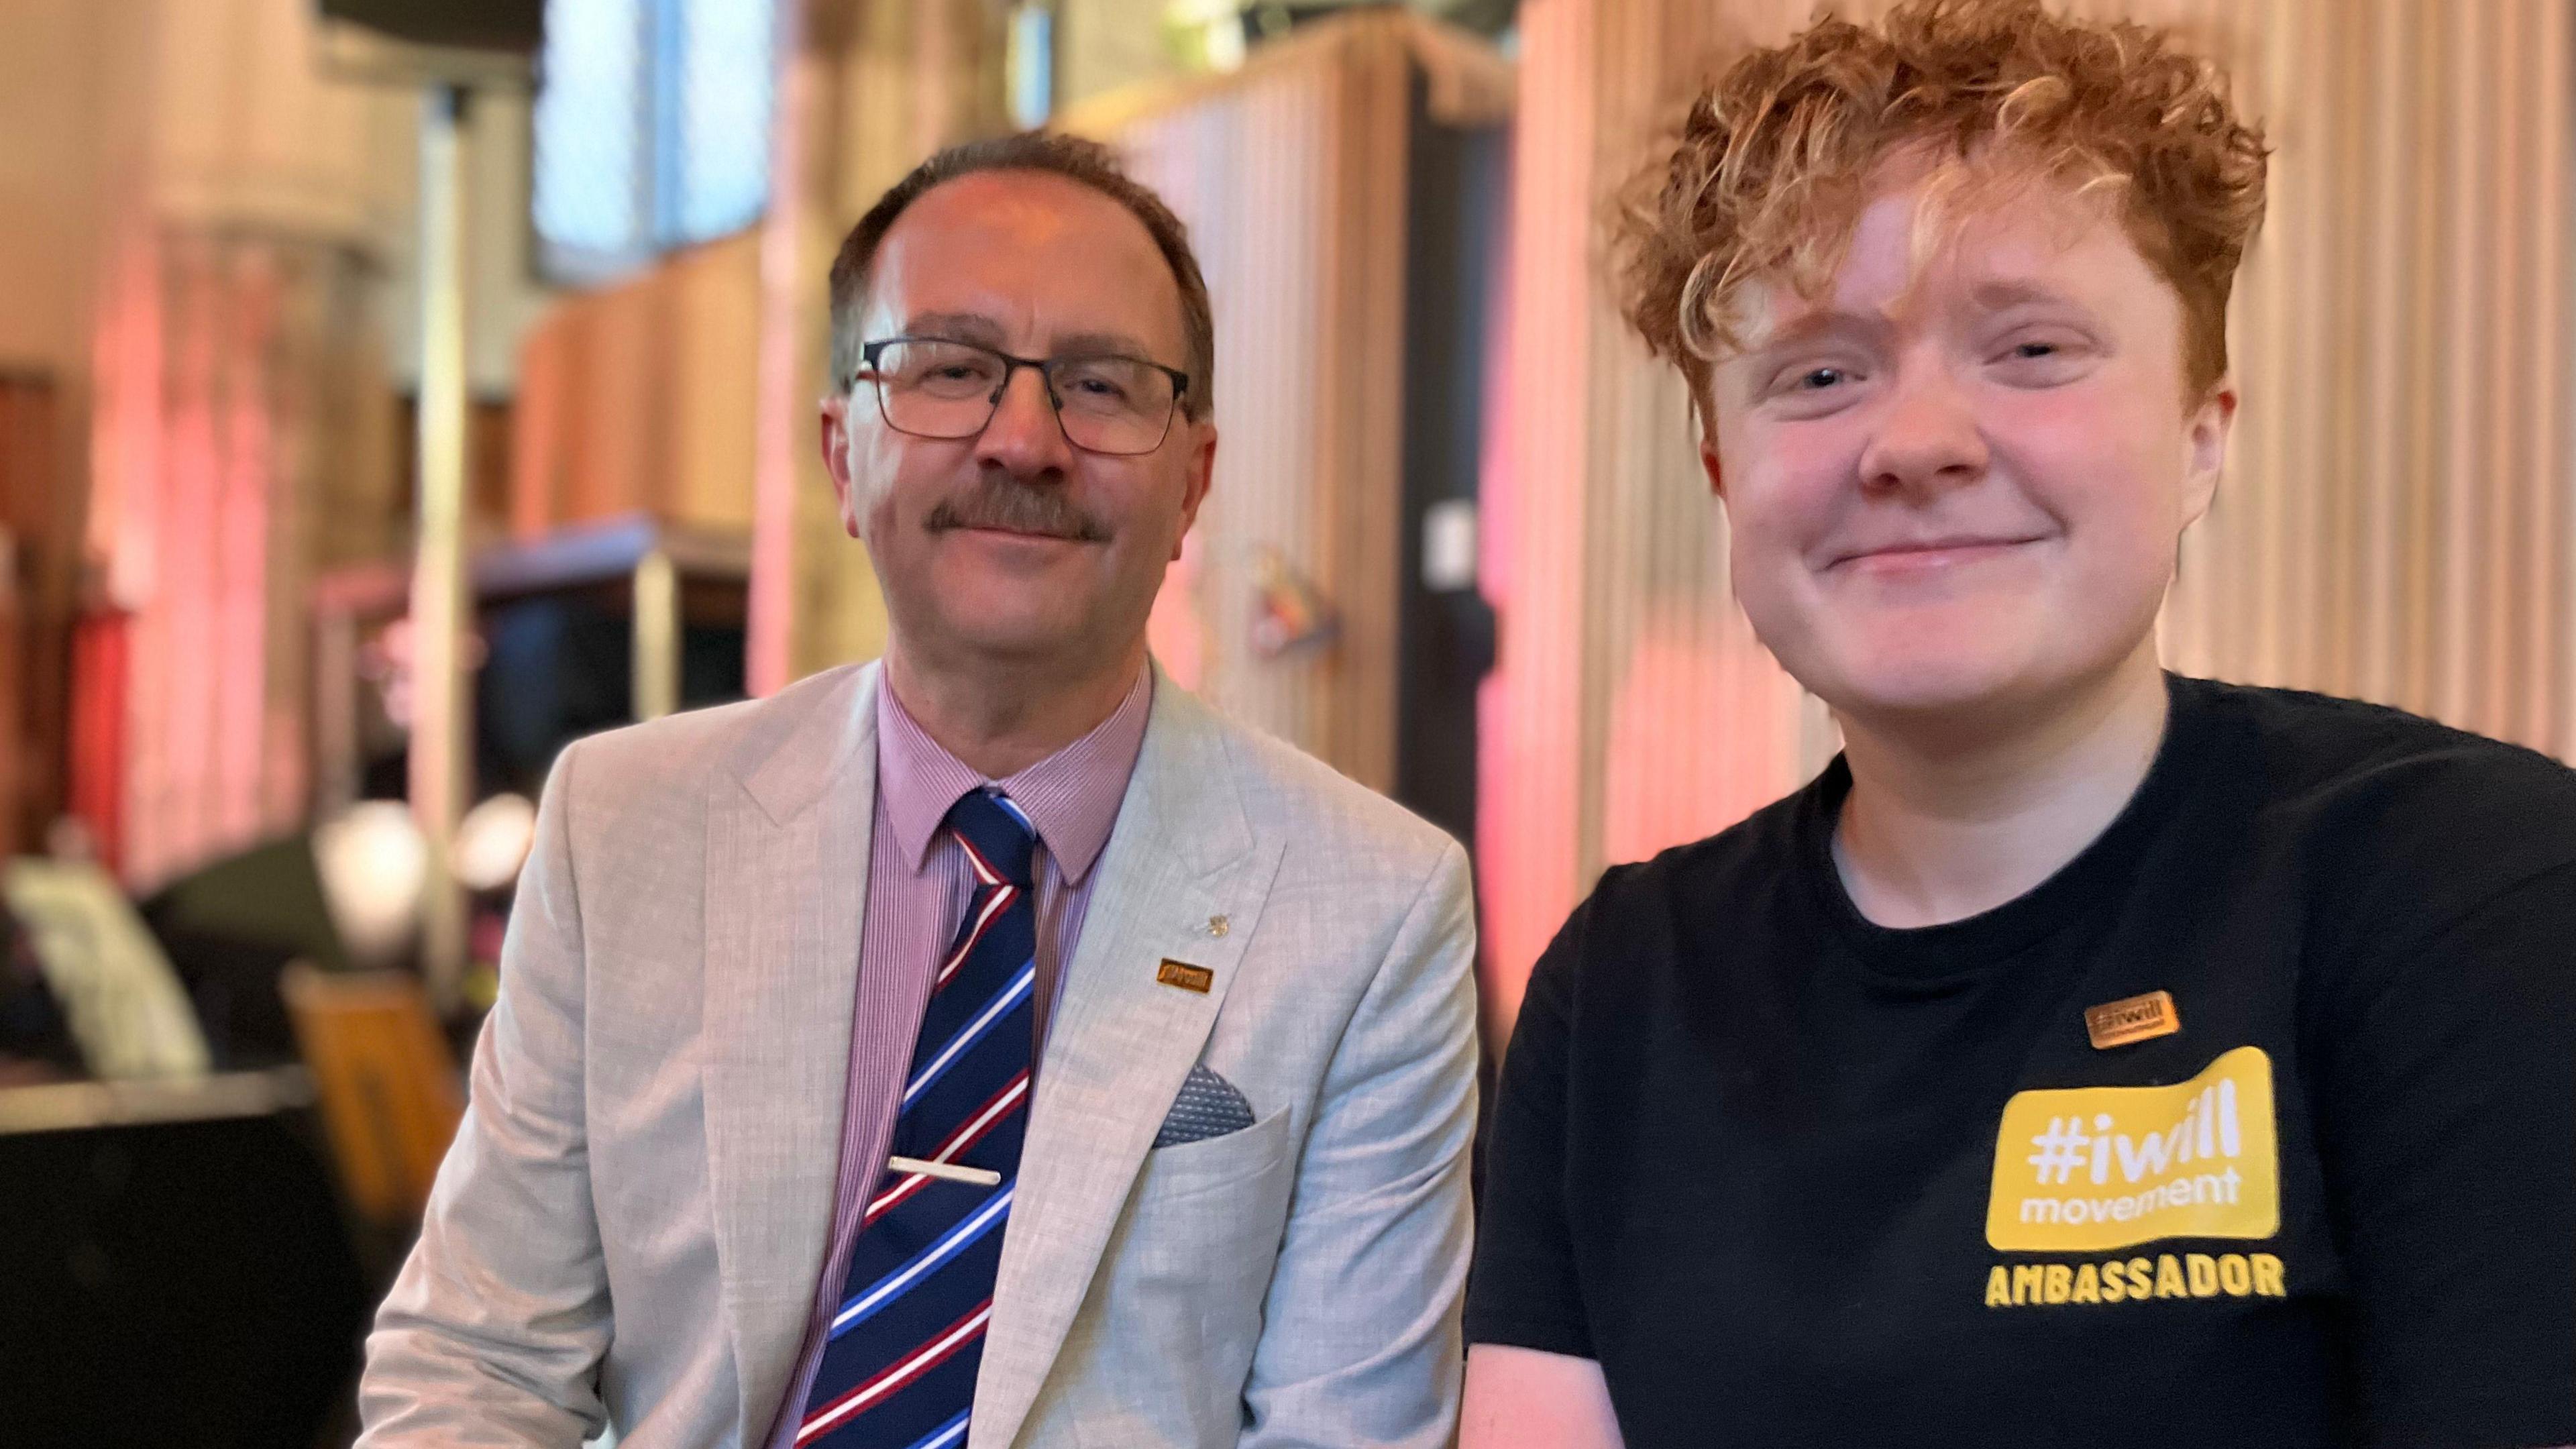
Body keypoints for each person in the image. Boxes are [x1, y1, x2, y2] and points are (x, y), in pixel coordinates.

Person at [1460, 3, 2576, 1446]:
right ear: (1724, 471)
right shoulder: (1622, 987)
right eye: (1818, 371)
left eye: (2034, 348)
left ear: (2199, 435)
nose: (1917, 441)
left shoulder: (2467, 893)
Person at [359, 132, 1480, 1449]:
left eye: (1102, 386)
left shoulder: (1375, 909)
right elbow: (477, 1361)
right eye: (950, 370)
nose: (1025, 439)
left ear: (1194, 481)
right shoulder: (626, 829)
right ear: (844, 458)